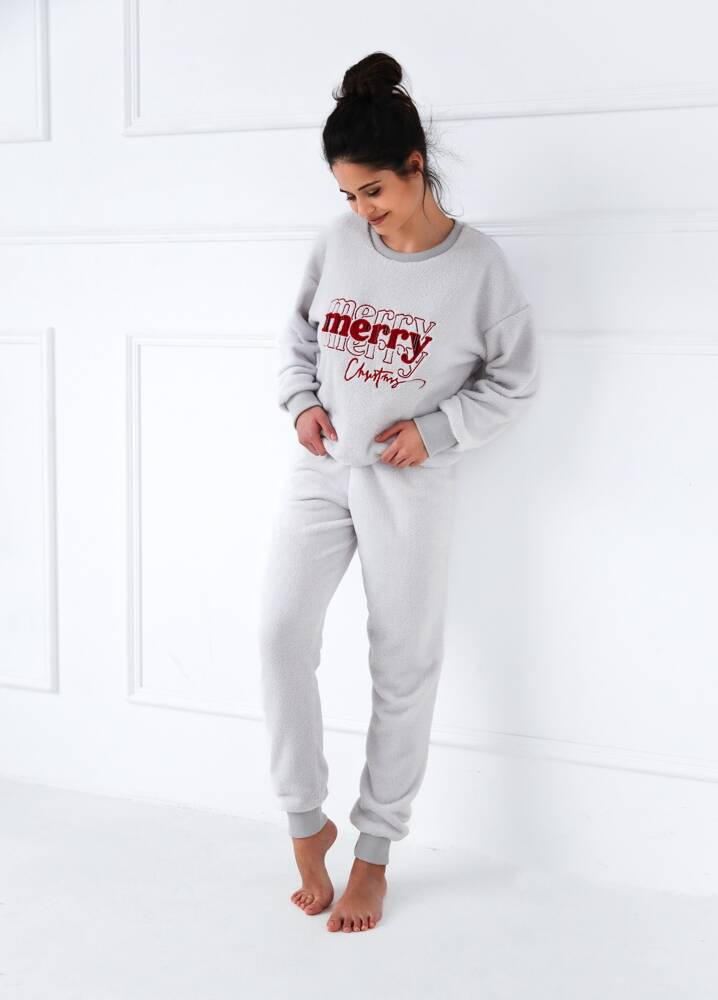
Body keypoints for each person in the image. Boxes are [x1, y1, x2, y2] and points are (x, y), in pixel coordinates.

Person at [257, 51, 540, 933]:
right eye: (347, 194)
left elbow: (515, 379)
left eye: (372, 190)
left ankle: (374, 852)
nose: (360, 210)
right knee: (279, 634)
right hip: (324, 467)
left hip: (408, 485)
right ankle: (306, 819)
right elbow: (298, 335)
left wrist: (438, 430)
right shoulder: (339, 241)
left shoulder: (480, 269)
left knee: (403, 665)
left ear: (416, 166)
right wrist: (301, 402)